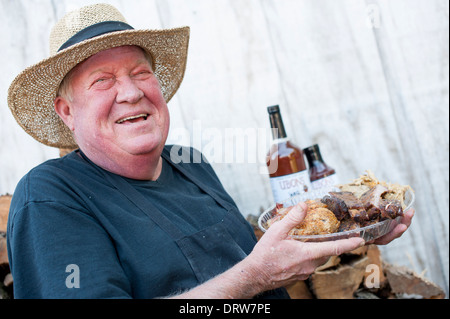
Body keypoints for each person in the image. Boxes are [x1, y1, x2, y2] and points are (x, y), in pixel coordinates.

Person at [6, 4, 414, 299]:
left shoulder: (190, 163)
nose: (131, 92)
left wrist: (346, 231)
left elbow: (253, 266)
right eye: (102, 81)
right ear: (66, 112)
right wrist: (253, 277)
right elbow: (251, 276)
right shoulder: (50, 197)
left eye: (141, 73)